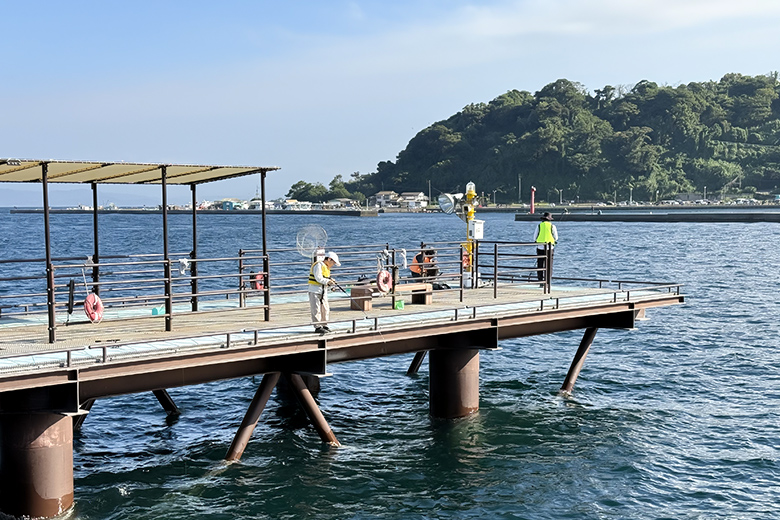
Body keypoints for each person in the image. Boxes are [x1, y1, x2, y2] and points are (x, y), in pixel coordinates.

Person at [308, 251, 340, 334]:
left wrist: (330, 281)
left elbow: (324, 278)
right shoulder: (318, 265)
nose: (333, 265)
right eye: (333, 262)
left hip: (323, 291)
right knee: (316, 309)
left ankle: (324, 325)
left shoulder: (326, 267)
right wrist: (328, 281)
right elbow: (318, 278)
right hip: (315, 290)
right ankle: (317, 327)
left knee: (325, 309)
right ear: (329, 259)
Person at [534, 212, 558, 281]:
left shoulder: (539, 226)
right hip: (550, 248)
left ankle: (540, 281)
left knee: (540, 265)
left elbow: (535, 237)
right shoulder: (552, 226)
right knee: (549, 265)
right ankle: (547, 281)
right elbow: (556, 238)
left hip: (540, 247)